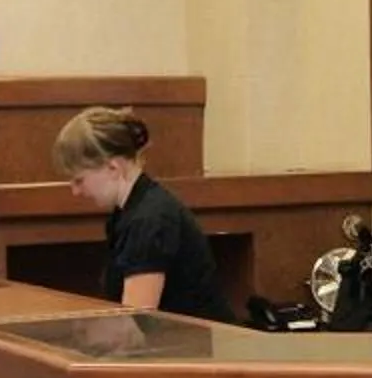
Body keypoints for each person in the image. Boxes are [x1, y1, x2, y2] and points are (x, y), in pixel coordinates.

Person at [53, 106, 236, 323]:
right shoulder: (128, 213)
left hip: (194, 352)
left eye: (79, 180)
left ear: (113, 168)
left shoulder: (149, 219)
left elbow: (134, 323)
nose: (75, 191)